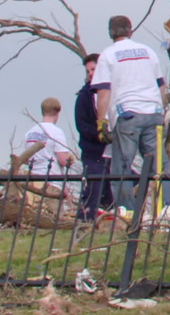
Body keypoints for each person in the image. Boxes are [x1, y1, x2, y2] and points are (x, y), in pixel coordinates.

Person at [92, 15, 169, 213]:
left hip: (128, 115)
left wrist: (102, 122)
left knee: (122, 168)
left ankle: (127, 213)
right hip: (153, 113)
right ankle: (167, 212)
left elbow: (103, 92)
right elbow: (161, 86)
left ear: (110, 33)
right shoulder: (148, 52)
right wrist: (162, 111)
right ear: (130, 30)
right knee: (159, 167)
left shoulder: (108, 55)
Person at [75, 54, 111, 219]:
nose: (90, 73)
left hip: (114, 153)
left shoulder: (113, 91)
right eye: (88, 70)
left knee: (118, 189)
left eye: (93, 69)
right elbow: (82, 125)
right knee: (92, 194)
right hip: (94, 153)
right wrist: (100, 135)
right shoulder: (84, 96)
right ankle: (86, 221)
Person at [21, 97, 76, 176]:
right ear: (58, 112)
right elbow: (64, 161)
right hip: (51, 179)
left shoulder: (30, 132)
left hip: (32, 179)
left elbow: (26, 159)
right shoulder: (56, 132)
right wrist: (69, 159)